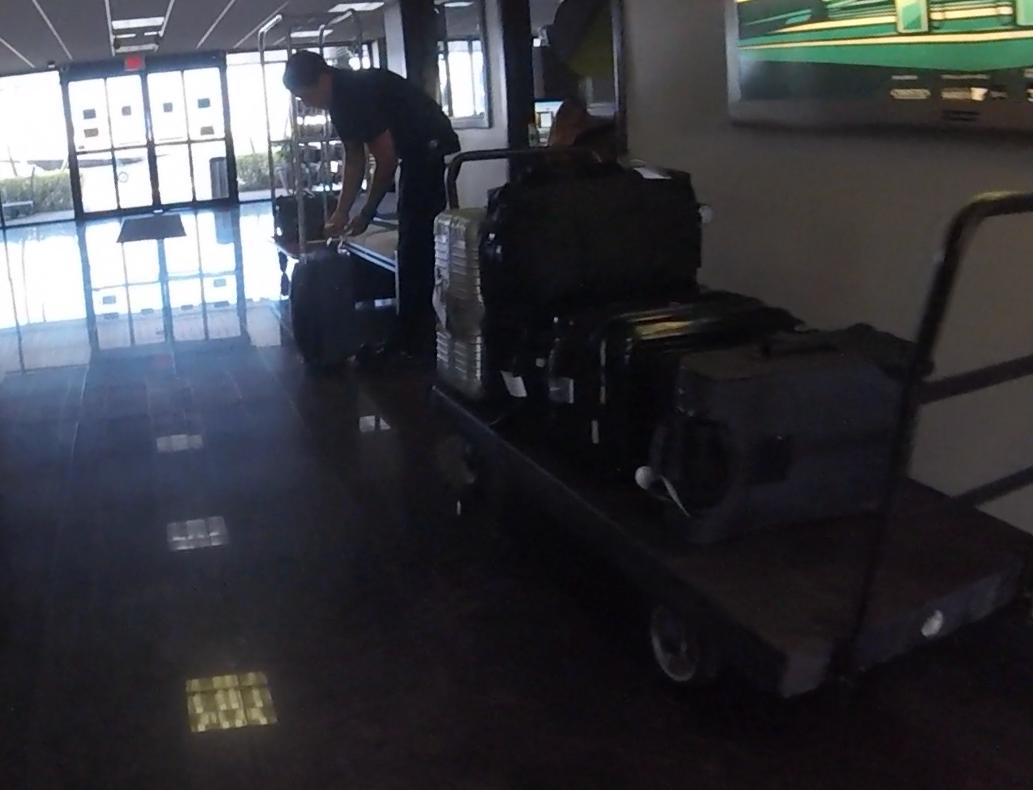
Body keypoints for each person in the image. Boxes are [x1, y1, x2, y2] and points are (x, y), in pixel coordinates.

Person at [283, 51, 460, 355]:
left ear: (323, 78)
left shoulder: (355, 92)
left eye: (306, 95)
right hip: (413, 152)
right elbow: (355, 158)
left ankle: (415, 339)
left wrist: (366, 213)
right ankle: (414, 334)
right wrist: (341, 211)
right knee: (412, 239)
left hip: (430, 146)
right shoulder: (338, 102)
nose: (306, 103)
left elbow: (386, 160)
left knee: (414, 243)